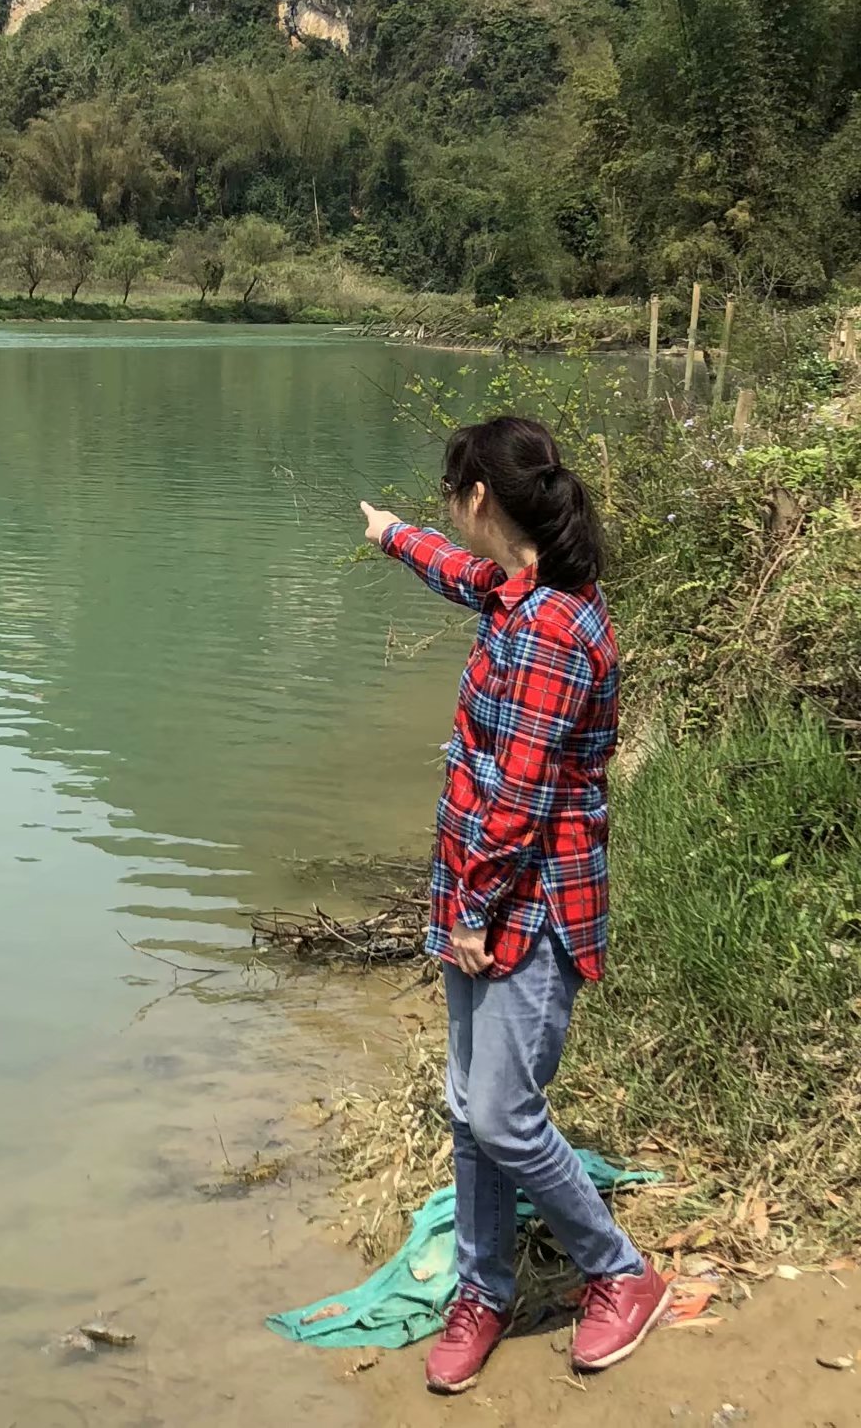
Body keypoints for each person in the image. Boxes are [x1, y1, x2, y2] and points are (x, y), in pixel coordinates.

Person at [360, 417, 670, 1396]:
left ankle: (618, 1271)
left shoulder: (549, 631)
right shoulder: (520, 586)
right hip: (478, 891)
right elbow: (458, 570)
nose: (448, 510)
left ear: (481, 496)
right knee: (468, 1107)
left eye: (450, 494)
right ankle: (483, 1287)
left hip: (522, 904)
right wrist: (388, 533)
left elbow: (521, 798)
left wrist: (471, 913)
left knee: (500, 1111)